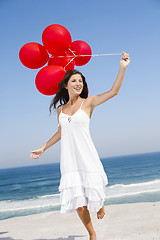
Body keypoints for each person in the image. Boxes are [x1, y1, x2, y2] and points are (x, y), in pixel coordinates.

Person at [30, 51, 130, 240]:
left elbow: (113, 91)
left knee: (94, 188)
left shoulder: (89, 103)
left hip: (87, 155)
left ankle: (100, 203)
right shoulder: (61, 109)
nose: (78, 84)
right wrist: (43, 147)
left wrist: (122, 67)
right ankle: (92, 233)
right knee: (79, 202)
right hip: (69, 161)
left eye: (81, 81)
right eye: (74, 81)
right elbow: (61, 132)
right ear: (66, 85)